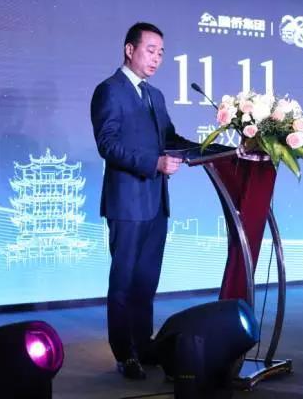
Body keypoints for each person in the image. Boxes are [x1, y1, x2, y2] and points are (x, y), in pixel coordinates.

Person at [90, 22, 194, 380]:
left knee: (146, 282)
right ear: (129, 50)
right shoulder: (109, 91)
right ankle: (124, 354)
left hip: (156, 203)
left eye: (161, 52)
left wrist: (214, 148)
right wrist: (154, 163)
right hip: (127, 204)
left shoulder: (155, 96)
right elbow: (108, 144)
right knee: (123, 283)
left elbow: (171, 138)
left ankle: (143, 344)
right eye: (151, 50)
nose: (157, 58)